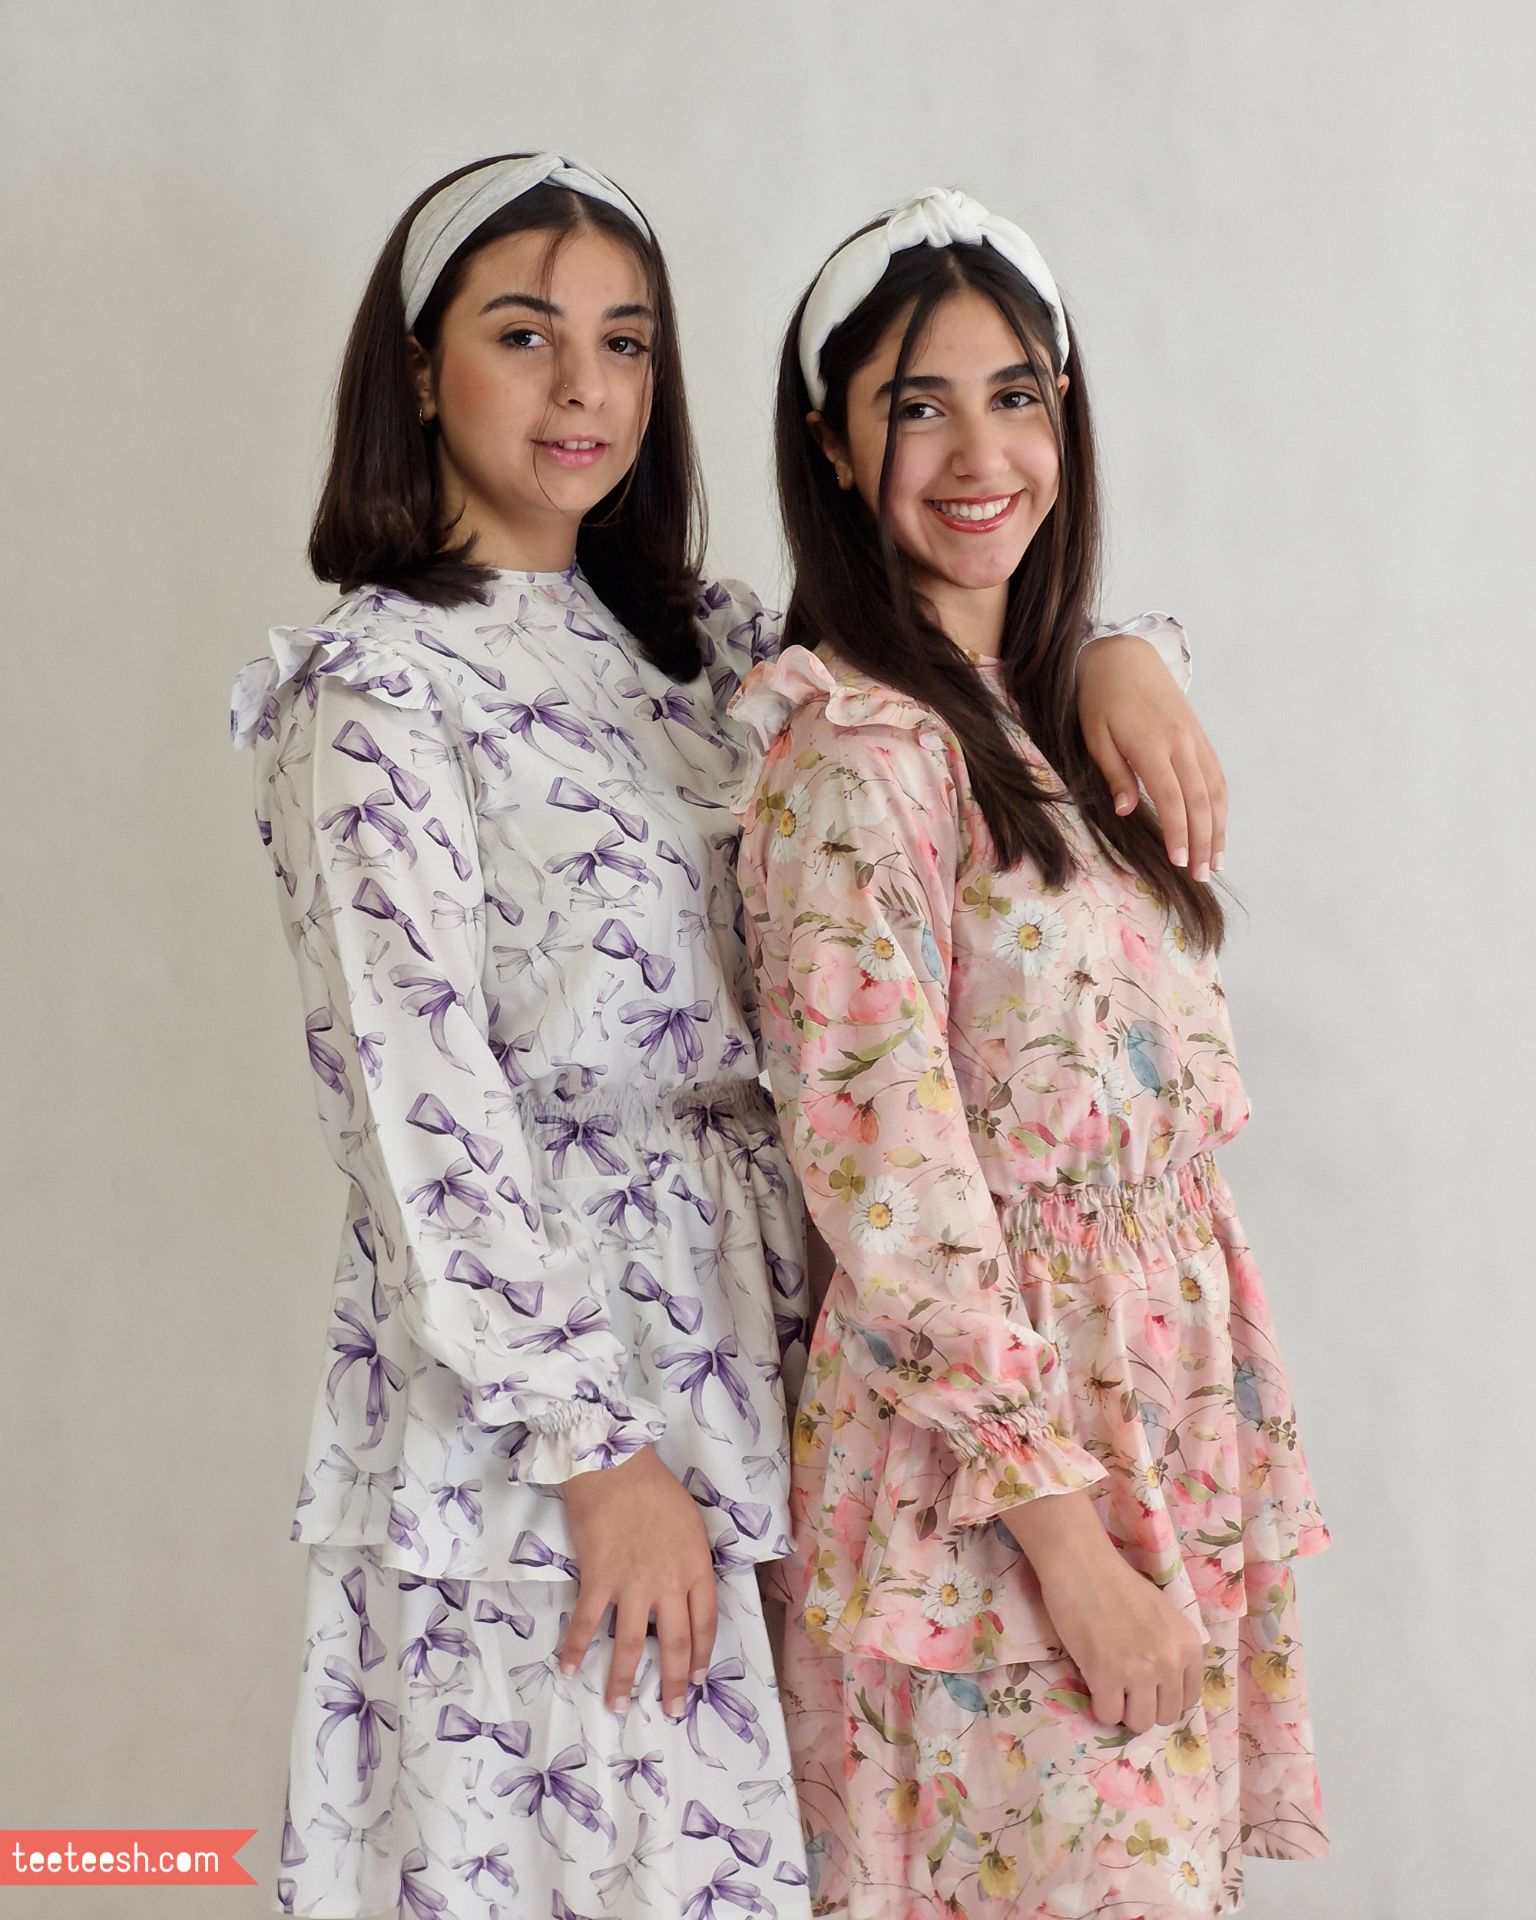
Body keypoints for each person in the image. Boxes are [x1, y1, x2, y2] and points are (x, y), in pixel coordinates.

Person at [231, 154, 1230, 1918]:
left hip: (755, 1356)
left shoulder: (693, 648)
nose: (583, 388)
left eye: (625, 343)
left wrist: (1114, 653)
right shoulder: (377, 692)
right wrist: (596, 1453)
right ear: (417, 372)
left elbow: (931, 629)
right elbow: (414, 1113)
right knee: (572, 1853)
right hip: (545, 1405)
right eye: (524, 335)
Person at [733, 190, 1330, 1920]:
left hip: (1153, 1413)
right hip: (992, 1481)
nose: (978, 454)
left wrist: (1127, 650)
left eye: (1015, 396)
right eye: (915, 405)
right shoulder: (859, 762)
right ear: (834, 446)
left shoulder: (1057, 711)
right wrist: (1071, 1551)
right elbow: (892, 1189)